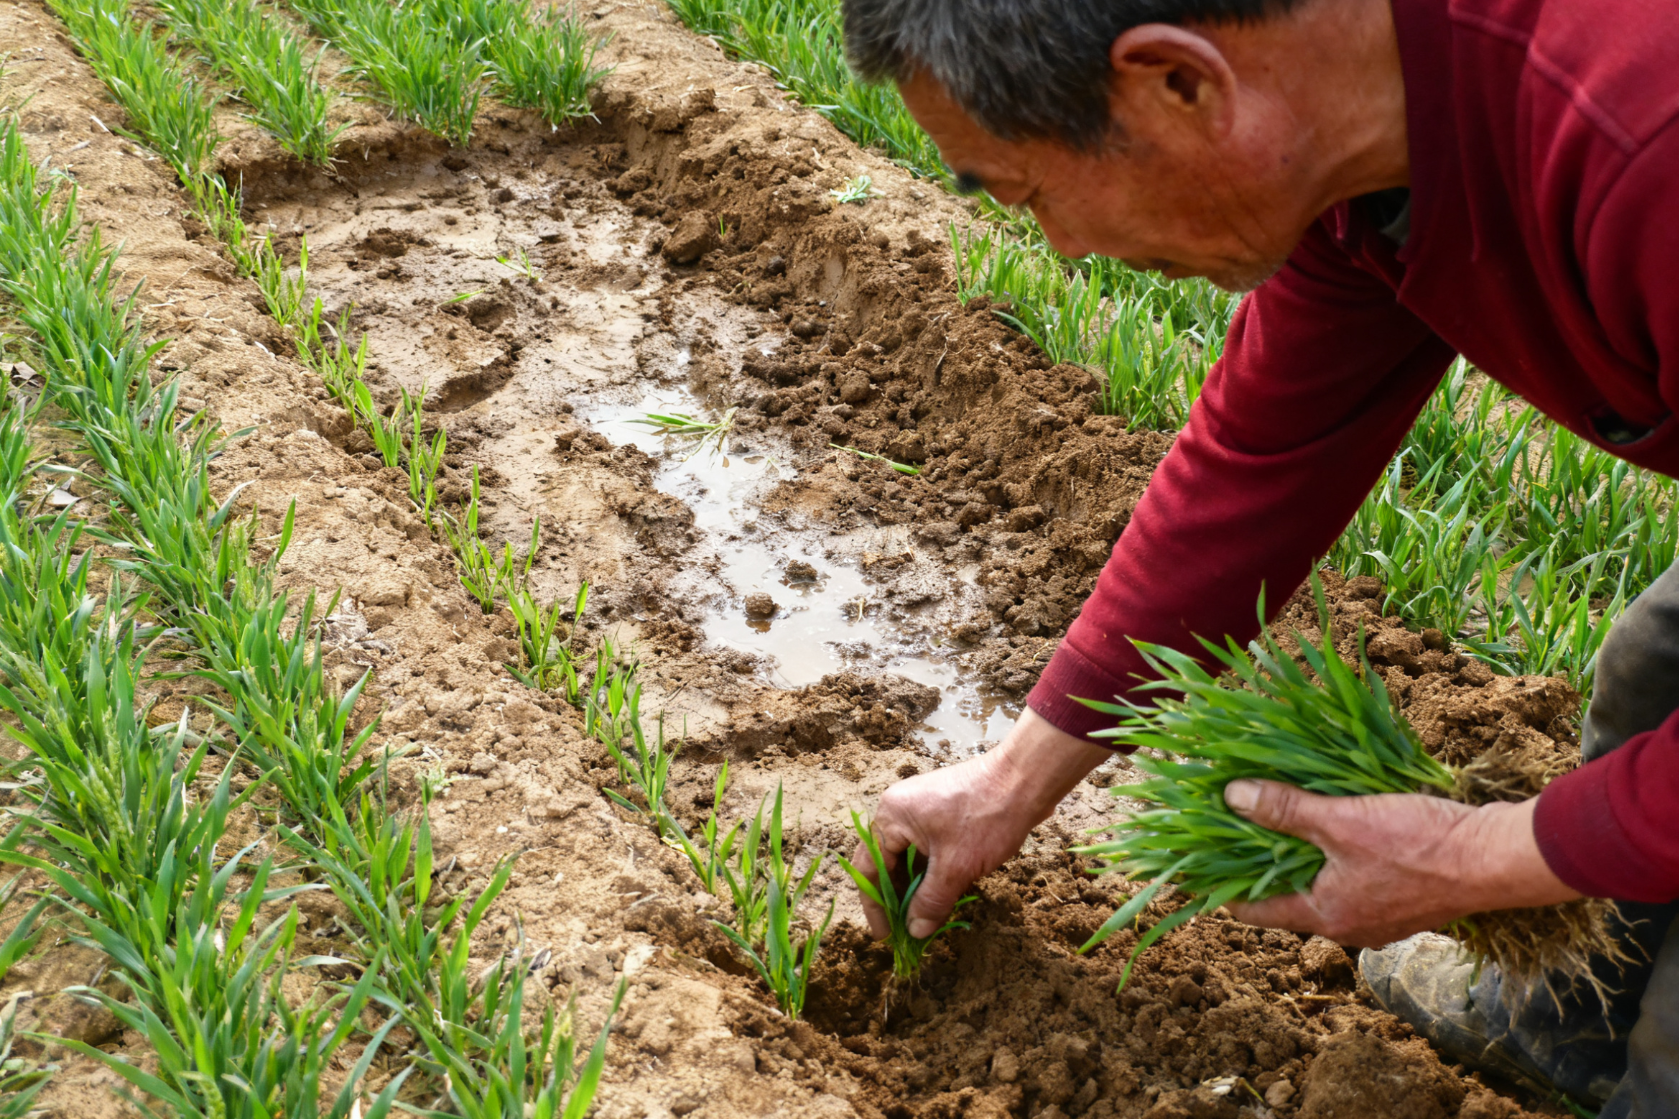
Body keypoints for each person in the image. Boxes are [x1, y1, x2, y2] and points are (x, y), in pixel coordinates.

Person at [835, 0, 1679, 1112]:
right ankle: (1562, 1020)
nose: (1065, 248)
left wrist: (1480, 855)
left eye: (1029, 192)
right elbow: (1260, 463)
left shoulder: (1641, 144)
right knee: (1654, 663)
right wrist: (1008, 784)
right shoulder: (1357, 169)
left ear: (1176, 86)